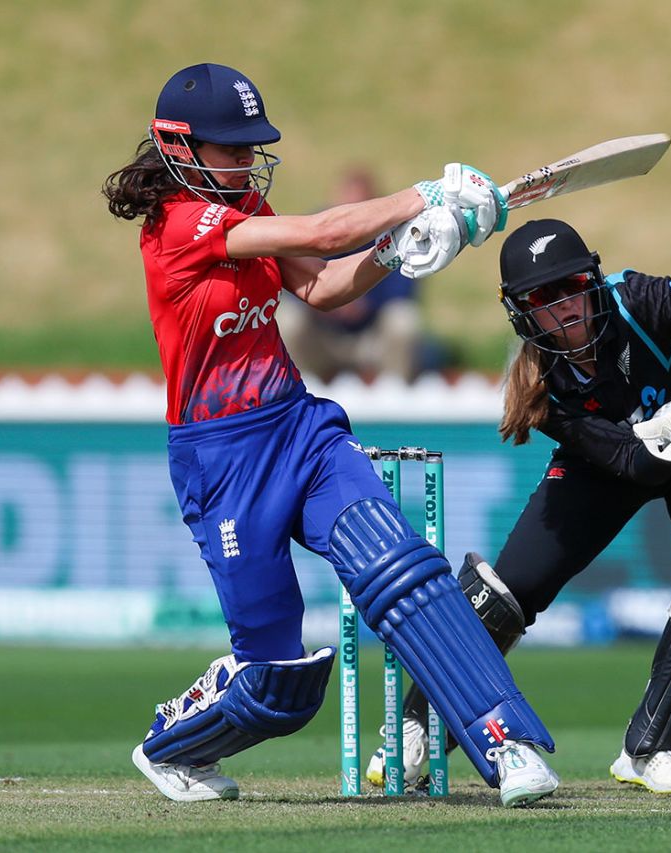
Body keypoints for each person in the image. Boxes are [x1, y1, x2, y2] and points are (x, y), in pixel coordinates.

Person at [101, 62, 557, 808]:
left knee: (403, 570)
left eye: (253, 146)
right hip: (221, 459)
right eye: (232, 147)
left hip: (296, 426)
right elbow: (319, 229)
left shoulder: (241, 199)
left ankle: (506, 746)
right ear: (180, 146)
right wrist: (426, 194)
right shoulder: (181, 224)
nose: (248, 160)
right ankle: (173, 744)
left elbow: (319, 283)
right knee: (284, 682)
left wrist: (399, 251)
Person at [367, 218, 671, 795]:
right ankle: (419, 726)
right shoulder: (544, 385)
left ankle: (657, 749)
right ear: (522, 314)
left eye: (571, 289)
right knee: (508, 591)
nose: (563, 309)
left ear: (593, 280)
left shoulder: (639, 297)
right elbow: (632, 465)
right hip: (610, 463)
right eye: (542, 300)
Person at [275, 167, 444, 381]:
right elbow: (291, 284)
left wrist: (361, 302)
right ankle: (297, 389)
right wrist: (331, 305)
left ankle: (396, 396)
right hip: (322, 336)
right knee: (288, 319)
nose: (352, 216)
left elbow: (405, 288)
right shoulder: (314, 232)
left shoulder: (395, 234)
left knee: (404, 320)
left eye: (360, 208)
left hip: (372, 336)